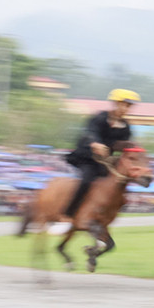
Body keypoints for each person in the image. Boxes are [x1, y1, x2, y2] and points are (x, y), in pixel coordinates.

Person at [47, 89, 140, 235]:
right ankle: (66, 216)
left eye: (129, 106)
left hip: (104, 162)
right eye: (125, 105)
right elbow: (90, 132)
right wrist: (95, 143)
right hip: (86, 158)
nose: (127, 109)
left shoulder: (126, 126)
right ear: (116, 103)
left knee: (118, 184)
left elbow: (123, 145)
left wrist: (131, 150)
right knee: (86, 181)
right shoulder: (99, 118)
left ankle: (101, 217)